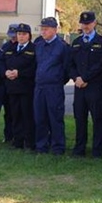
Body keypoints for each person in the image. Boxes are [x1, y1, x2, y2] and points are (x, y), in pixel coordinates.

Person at [69, 10, 102, 158]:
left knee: (97, 119)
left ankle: (97, 149)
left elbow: (100, 65)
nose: (86, 26)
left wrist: (85, 78)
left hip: (94, 86)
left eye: (88, 23)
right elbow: (70, 65)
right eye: (83, 23)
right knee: (80, 118)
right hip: (79, 87)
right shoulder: (76, 43)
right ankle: (80, 148)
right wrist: (76, 78)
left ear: (94, 23)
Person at [34, 17, 70, 155]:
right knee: (40, 117)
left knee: (55, 118)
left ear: (55, 30)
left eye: (46, 29)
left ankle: (58, 147)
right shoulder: (39, 45)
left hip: (54, 87)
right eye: (42, 28)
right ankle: (42, 146)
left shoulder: (62, 46)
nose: (43, 31)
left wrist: (58, 80)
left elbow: (66, 68)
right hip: (39, 86)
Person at [3, 23, 37, 151]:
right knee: (15, 114)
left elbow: (34, 68)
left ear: (29, 36)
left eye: (23, 34)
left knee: (27, 115)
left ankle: (29, 142)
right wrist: (5, 72)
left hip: (26, 87)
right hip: (12, 87)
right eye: (19, 34)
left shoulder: (34, 49)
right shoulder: (10, 48)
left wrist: (20, 73)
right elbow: (2, 63)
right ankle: (17, 141)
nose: (21, 37)